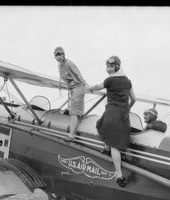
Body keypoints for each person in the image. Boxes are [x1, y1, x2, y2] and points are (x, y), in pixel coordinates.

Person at [88, 55, 136, 187]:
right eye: (107, 67)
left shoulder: (109, 80)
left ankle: (119, 174)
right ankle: (107, 146)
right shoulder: (128, 81)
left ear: (117, 67)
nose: (108, 69)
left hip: (111, 114)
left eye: (111, 66)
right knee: (117, 144)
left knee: (100, 126)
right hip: (124, 117)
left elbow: (97, 86)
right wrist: (127, 109)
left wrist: (89, 88)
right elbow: (134, 99)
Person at [54, 46, 89, 141]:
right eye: (56, 56)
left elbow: (78, 74)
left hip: (78, 87)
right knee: (75, 111)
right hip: (72, 88)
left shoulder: (69, 63)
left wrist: (85, 84)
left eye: (60, 55)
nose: (58, 57)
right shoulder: (59, 65)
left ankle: (71, 136)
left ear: (63, 54)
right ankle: (74, 132)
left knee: (73, 111)